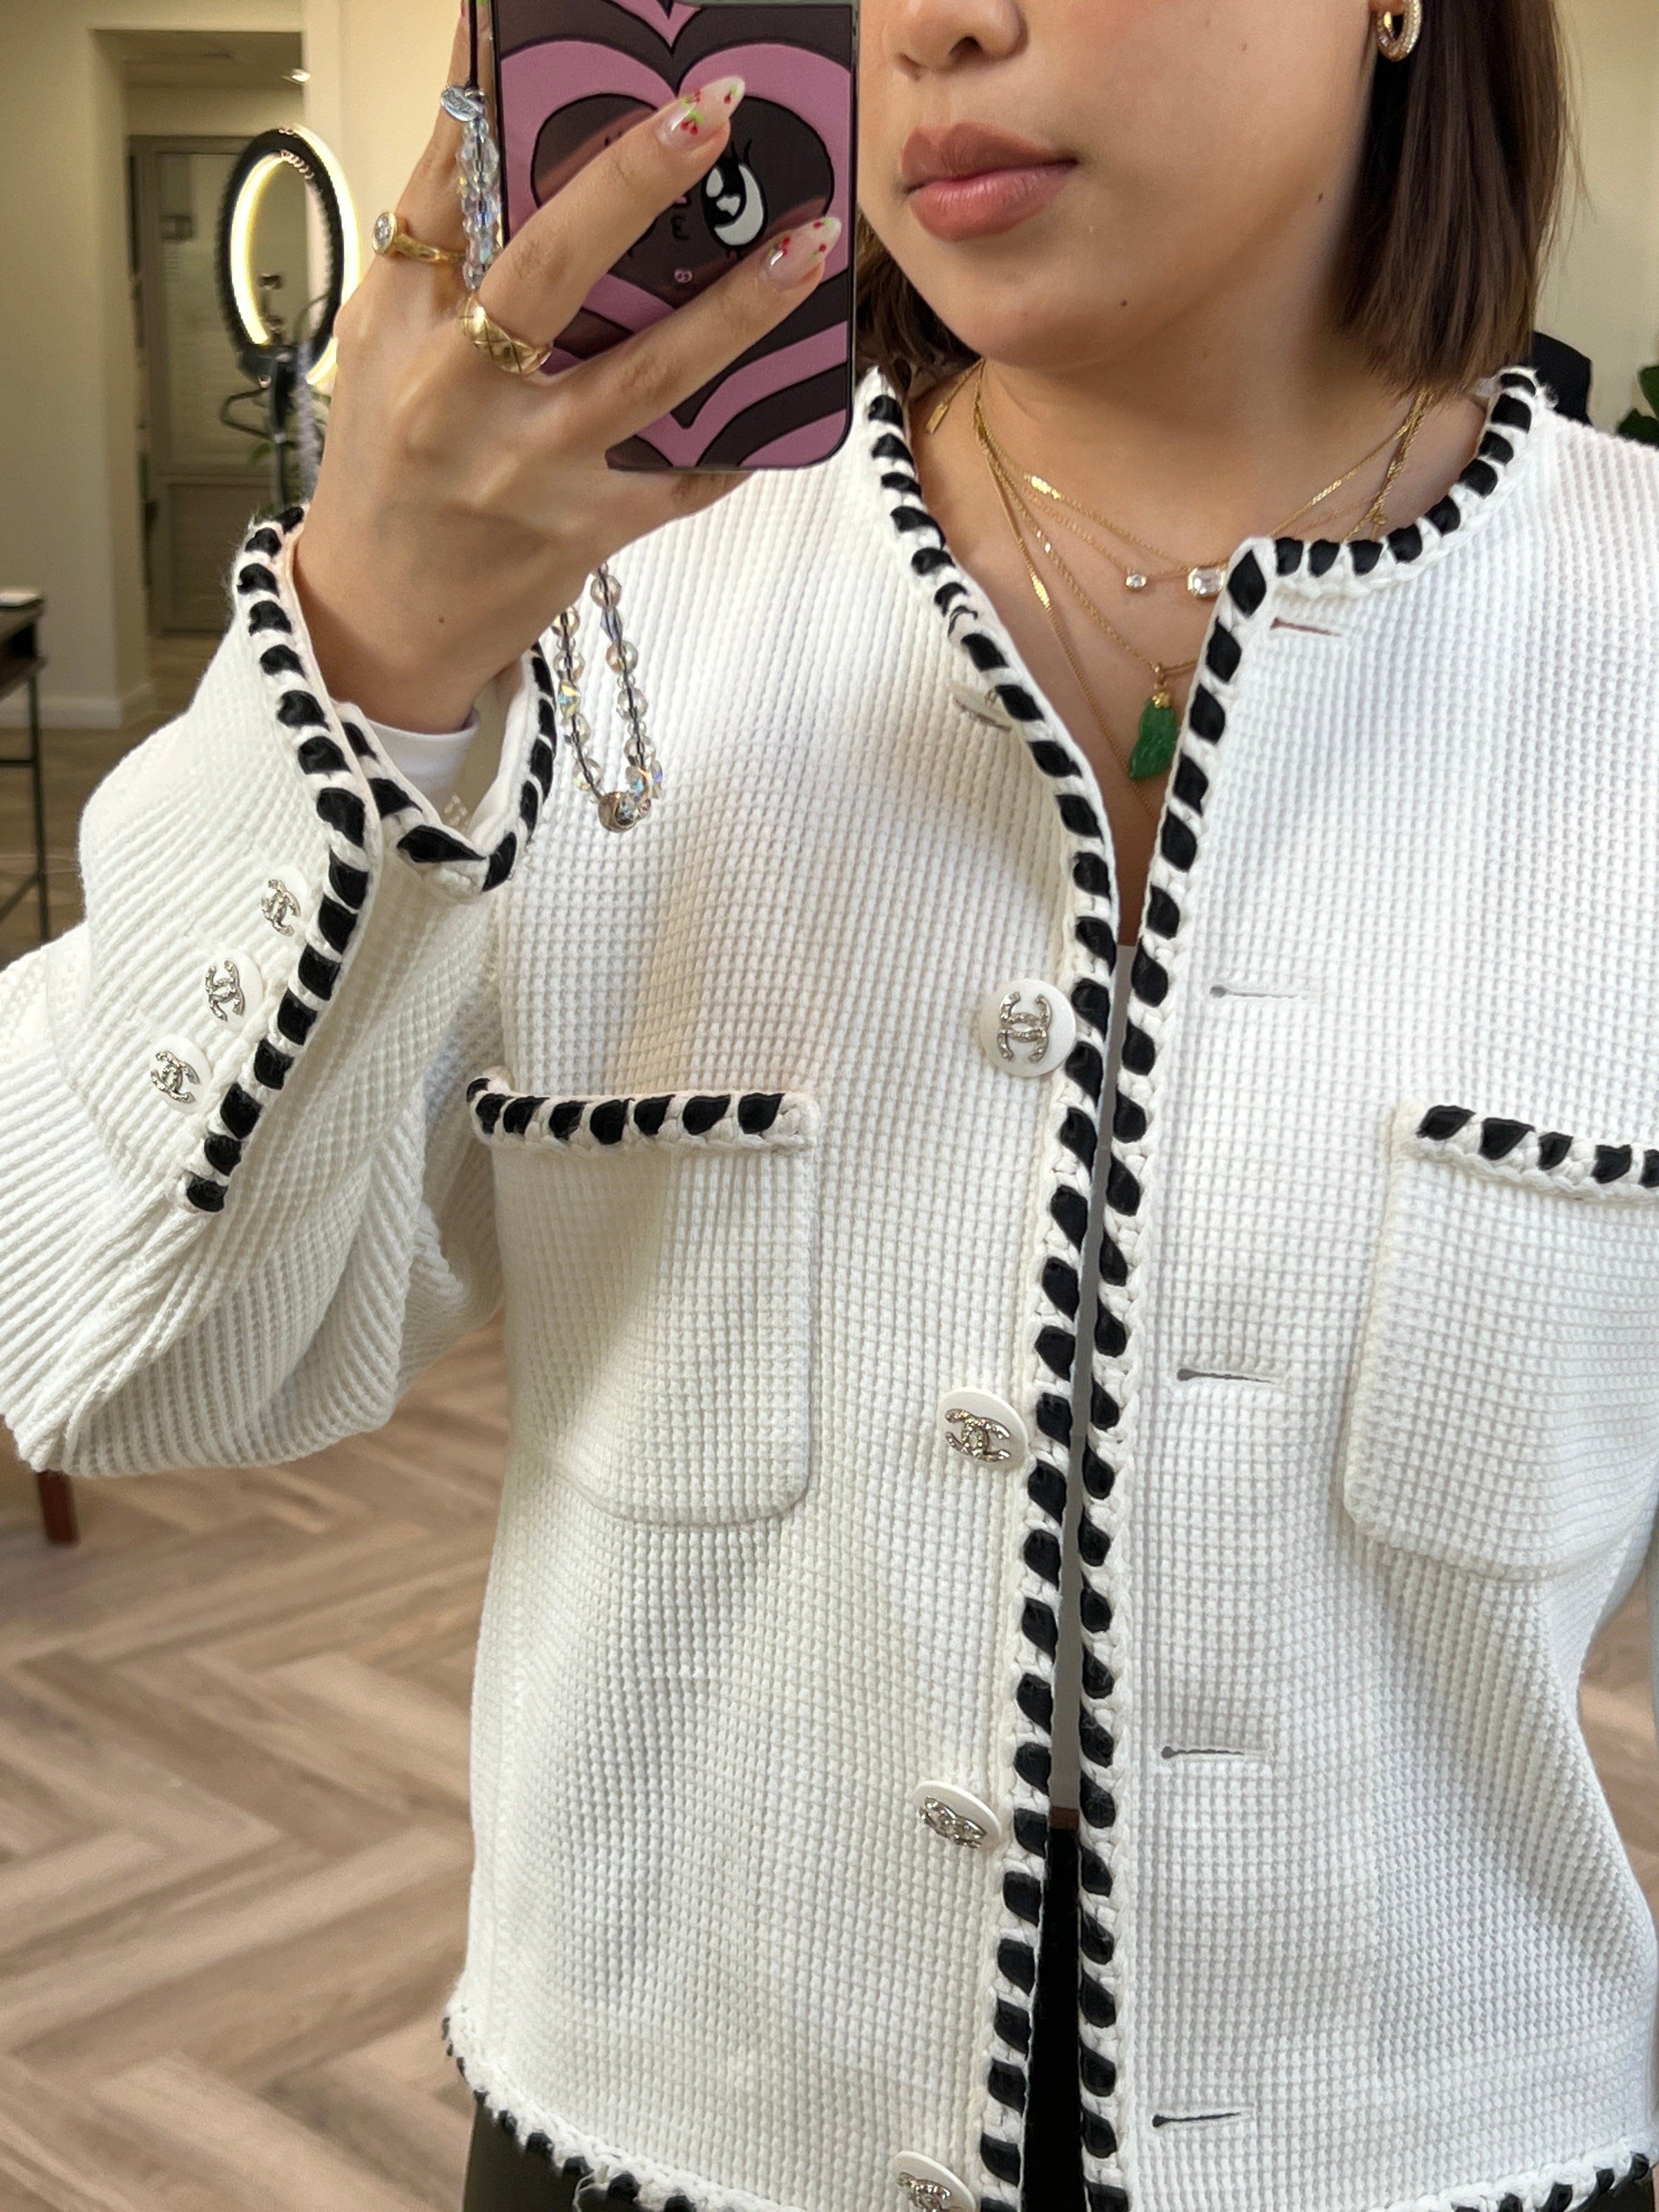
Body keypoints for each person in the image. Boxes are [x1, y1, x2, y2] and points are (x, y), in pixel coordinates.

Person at [4, 0, 1658, 2208]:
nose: (940, 23)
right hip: (662, 2128)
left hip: (1458, 2139)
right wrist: (370, 672)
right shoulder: (590, 612)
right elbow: (112, 1357)